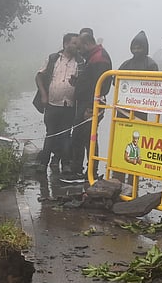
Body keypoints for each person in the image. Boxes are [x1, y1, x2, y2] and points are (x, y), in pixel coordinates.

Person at [66, 29, 111, 179]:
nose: (79, 51)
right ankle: (77, 169)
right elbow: (90, 81)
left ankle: (91, 172)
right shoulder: (92, 57)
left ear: (86, 44)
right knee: (78, 136)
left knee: (89, 138)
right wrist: (78, 82)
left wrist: (92, 108)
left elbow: (100, 86)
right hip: (84, 103)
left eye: (79, 48)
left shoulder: (99, 58)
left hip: (91, 105)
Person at [33, 32, 82, 172]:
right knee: (50, 133)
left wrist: (76, 83)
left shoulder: (80, 62)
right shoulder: (53, 58)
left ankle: (65, 164)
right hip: (52, 104)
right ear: (66, 44)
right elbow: (39, 76)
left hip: (69, 105)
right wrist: (43, 94)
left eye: (78, 43)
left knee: (66, 135)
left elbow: (83, 83)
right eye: (74, 43)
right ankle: (43, 163)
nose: (77, 46)